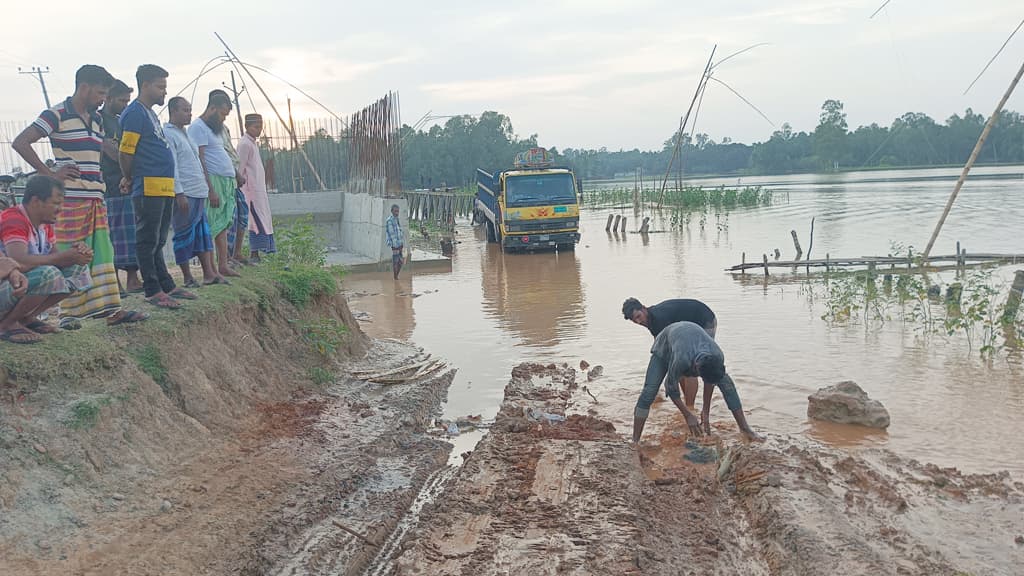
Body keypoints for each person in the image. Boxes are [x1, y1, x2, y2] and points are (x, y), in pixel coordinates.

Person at [11, 64, 146, 327]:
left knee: (101, 254)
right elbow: (21, 142)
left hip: (96, 197)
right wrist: (48, 173)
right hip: (69, 200)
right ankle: (67, 314)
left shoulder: (95, 119)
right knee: (69, 253)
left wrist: (129, 167)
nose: (102, 99)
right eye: (100, 93)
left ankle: (111, 309)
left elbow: (104, 150)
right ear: (84, 87)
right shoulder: (56, 114)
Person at [119, 65, 195, 309]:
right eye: (160, 87)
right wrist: (128, 176)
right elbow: (126, 151)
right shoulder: (134, 114)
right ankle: (152, 289)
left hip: (164, 186)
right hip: (148, 186)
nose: (164, 92)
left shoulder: (150, 114)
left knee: (160, 239)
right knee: (148, 239)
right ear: (146, 86)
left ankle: (166, 284)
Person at [0, 176, 98, 343]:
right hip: (8, 283)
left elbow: (55, 259)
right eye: (55, 203)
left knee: (77, 270)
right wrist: (62, 257)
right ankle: (6, 325)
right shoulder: (14, 219)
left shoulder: (44, 224)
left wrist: (77, 255)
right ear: (36, 201)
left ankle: (26, 318)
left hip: (17, 286)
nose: (60, 209)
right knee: (49, 274)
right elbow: (17, 261)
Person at [632, 321, 762, 443]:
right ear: (695, 368)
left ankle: (745, 429)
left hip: (690, 338)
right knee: (649, 392)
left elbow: (710, 382)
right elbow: (670, 387)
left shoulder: (717, 356)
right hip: (666, 345)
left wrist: (705, 412)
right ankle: (635, 441)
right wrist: (688, 415)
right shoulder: (682, 359)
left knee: (728, 385)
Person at [165, 97, 222, 287]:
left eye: (190, 110)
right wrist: (178, 193)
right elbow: (172, 166)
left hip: (198, 191)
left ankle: (209, 274)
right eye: (185, 110)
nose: (189, 113)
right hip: (185, 193)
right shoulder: (168, 134)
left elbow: (197, 163)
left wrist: (207, 188)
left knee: (202, 234)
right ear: (173, 111)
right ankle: (187, 276)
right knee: (183, 234)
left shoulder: (187, 135)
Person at [623, 297, 717, 409]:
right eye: (634, 320)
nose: (639, 322)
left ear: (643, 308)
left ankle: (691, 408)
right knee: (680, 367)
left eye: (638, 316)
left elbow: (667, 349)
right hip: (686, 326)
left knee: (692, 366)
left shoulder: (659, 318)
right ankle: (687, 402)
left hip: (704, 320)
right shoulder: (650, 320)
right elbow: (659, 347)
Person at [189, 91, 239, 278]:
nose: (223, 118)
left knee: (224, 223)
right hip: (213, 182)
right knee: (211, 224)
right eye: (222, 114)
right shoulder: (198, 127)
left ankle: (223, 265)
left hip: (226, 182)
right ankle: (209, 269)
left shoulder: (215, 128)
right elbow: (200, 159)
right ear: (212, 108)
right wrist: (210, 189)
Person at [100, 79, 142, 295]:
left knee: (132, 233)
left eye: (127, 100)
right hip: (111, 185)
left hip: (127, 182)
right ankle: (114, 281)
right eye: (121, 100)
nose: (125, 104)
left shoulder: (120, 121)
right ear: (108, 98)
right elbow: (110, 149)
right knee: (114, 235)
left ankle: (133, 279)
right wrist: (128, 164)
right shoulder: (100, 121)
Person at [237, 113, 275, 260]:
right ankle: (254, 253)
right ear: (247, 127)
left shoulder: (252, 143)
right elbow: (239, 169)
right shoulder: (244, 144)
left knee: (262, 219)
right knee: (255, 221)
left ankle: (258, 252)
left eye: (261, 127)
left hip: (258, 190)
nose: (259, 130)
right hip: (250, 191)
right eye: (256, 127)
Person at [385, 204, 405, 279]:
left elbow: (399, 230)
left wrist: (402, 242)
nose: (397, 213)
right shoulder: (389, 220)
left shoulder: (397, 219)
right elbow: (391, 234)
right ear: (392, 211)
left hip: (400, 243)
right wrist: (396, 245)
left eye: (398, 211)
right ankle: (395, 277)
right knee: (396, 260)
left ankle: (396, 276)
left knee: (401, 261)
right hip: (395, 244)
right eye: (395, 211)